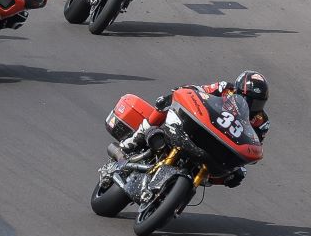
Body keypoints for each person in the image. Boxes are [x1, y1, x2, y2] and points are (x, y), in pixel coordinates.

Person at [113, 71, 271, 187]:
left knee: (237, 175)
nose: (250, 105)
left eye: (256, 103)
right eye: (246, 99)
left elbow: (253, 144)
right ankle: (134, 140)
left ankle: (190, 182)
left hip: (221, 147)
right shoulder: (224, 88)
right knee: (165, 102)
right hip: (202, 127)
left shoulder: (261, 122)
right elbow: (199, 90)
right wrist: (184, 90)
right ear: (236, 91)